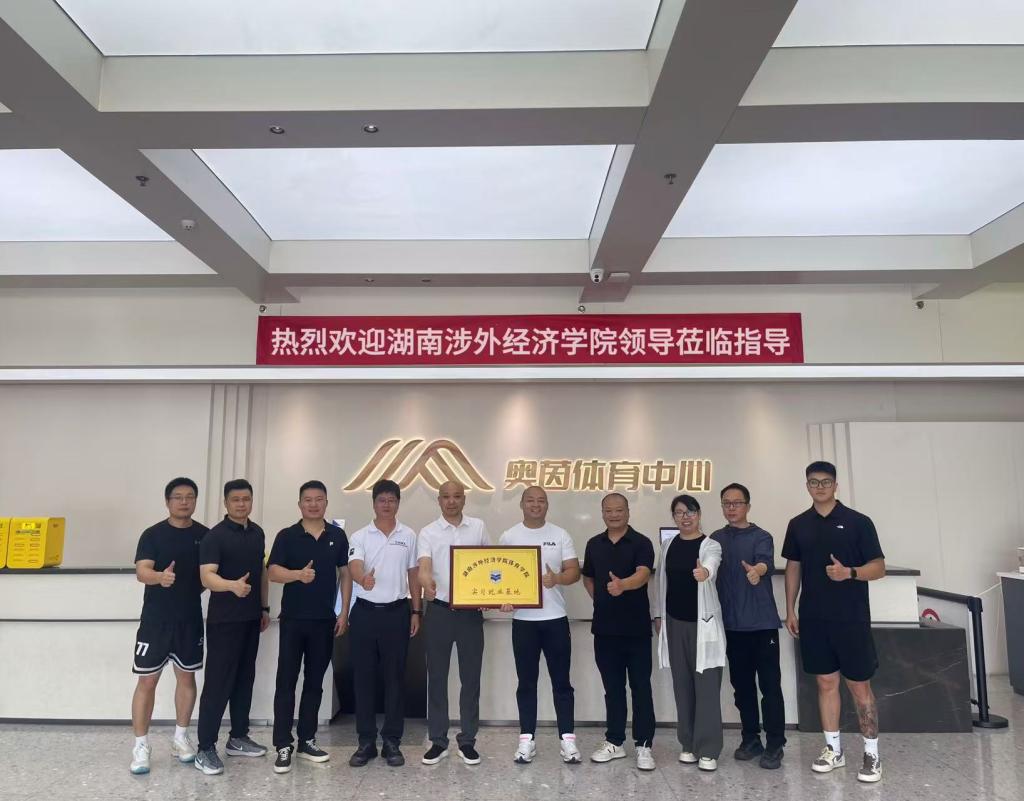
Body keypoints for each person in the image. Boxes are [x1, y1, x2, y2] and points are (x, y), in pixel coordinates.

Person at [783, 461, 886, 783]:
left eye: (826, 482)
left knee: (859, 685)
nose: (820, 487)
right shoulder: (798, 524)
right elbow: (793, 567)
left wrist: (850, 572)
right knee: (825, 683)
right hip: (814, 618)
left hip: (851, 618)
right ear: (807, 486)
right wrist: (790, 609)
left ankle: (872, 754)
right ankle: (833, 750)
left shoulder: (858, 522)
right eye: (814, 482)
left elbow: (879, 567)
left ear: (835, 485)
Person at [268, 480, 352, 774]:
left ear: (326, 503)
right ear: (300, 504)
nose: (313, 504)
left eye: (319, 499)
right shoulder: (287, 535)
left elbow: (345, 574)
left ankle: (307, 740)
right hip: (293, 620)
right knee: (286, 682)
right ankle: (283, 744)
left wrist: (344, 612)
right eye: (308, 499)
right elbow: (272, 572)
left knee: (315, 683)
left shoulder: (337, 536)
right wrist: (297, 575)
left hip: (324, 621)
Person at [129, 477, 209, 775]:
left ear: (195, 501)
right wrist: (159, 577)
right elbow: (142, 571)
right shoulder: (152, 534)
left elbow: (208, 575)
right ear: (167, 502)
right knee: (147, 682)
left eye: (190, 496)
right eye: (178, 497)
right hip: (156, 621)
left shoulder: (205, 535)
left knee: (187, 678)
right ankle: (140, 746)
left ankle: (180, 738)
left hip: (189, 620)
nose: (184, 502)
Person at [498, 486, 582, 765]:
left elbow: (574, 572)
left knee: (562, 683)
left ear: (547, 505)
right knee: (526, 683)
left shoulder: (560, 534)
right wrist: (503, 599)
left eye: (541, 501)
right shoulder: (509, 536)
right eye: (530, 500)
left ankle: (567, 740)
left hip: (555, 619)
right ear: (521, 504)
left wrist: (557, 579)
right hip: (524, 622)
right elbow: (499, 576)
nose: (536, 505)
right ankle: (526, 740)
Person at [195, 479, 270, 775]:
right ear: (225, 503)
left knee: (244, 680)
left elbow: (261, 572)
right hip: (224, 621)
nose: (241, 504)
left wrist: (264, 608)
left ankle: (238, 737)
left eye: (246, 499)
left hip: (251, 619)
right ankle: (205, 748)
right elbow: (206, 577)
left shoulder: (258, 533)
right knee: (218, 684)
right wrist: (231, 586)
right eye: (236, 499)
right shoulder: (214, 537)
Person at [347, 479, 422, 768]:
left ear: (398, 503)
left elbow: (413, 574)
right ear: (374, 504)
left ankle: (392, 741)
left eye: (392, 500)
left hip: (397, 613)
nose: (387, 504)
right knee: (363, 678)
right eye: (382, 500)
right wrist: (362, 578)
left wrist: (416, 611)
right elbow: (354, 565)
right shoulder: (360, 536)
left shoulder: (409, 535)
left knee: (395, 679)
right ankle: (366, 742)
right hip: (365, 614)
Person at [711, 483, 785, 770]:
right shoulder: (715, 539)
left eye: (737, 503)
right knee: (741, 688)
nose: (731, 508)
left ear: (748, 506)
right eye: (726, 503)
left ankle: (775, 743)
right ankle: (750, 739)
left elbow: (765, 562)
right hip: (731, 626)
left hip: (762, 625)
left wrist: (757, 571)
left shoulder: (761, 536)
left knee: (769, 686)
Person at [581, 493, 656, 771]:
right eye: (609, 510)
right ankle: (614, 742)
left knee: (641, 687)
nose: (614, 515)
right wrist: (601, 599)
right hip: (604, 629)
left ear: (628, 512)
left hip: (636, 629)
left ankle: (644, 745)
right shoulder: (594, 544)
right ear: (602, 513)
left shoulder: (641, 542)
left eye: (619, 510)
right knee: (612, 689)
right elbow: (588, 577)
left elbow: (643, 574)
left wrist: (622, 585)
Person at [417, 481, 489, 766]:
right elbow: (424, 566)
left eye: (457, 496)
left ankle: (468, 740)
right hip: (439, 611)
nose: (451, 501)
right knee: (436, 677)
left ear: (464, 499)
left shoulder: (478, 527)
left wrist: (493, 595)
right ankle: (438, 741)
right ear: (439, 500)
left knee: (471, 678)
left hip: (470, 613)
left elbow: (490, 565)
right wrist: (426, 581)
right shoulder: (428, 532)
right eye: (446, 497)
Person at [654, 494, 726, 772]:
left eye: (690, 512)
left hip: (703, 624)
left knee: (706, 686)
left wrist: (704, 573)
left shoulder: (711, 545)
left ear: (699, 514)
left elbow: (712, 564)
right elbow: (660, 582)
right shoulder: (668, 546)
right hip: (675, 624)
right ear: (673, 517)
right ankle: (688, 743)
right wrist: (658, 615)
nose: (685, 517)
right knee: (682, 685)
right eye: (679, 512)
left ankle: (708, 748)